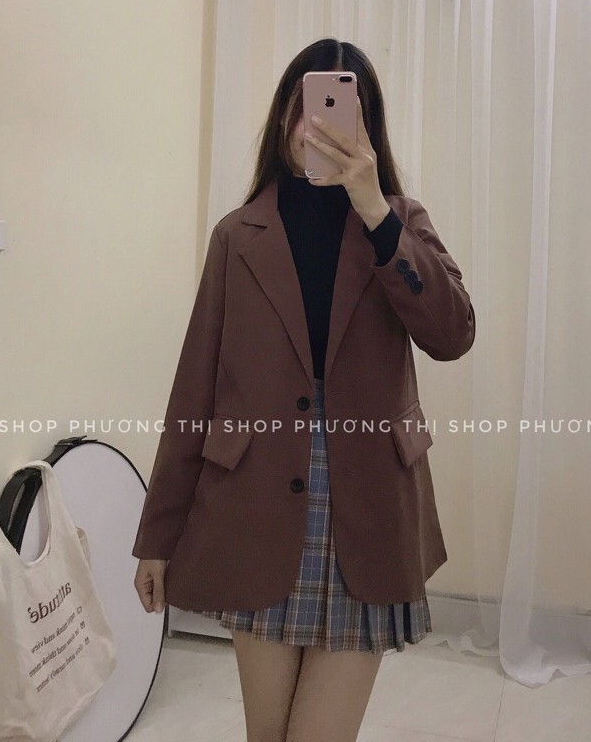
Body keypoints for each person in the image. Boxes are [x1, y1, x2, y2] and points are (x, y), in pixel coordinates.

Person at [132, 38, 475, 742]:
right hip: (255, 506)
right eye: (306, 108)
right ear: (284, 118)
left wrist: (376, 214)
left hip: (367, 509)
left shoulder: (398, 222)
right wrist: (156, 537)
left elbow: (453, 333)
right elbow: (194, 389)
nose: (318, 127)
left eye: (340, 112)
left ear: (367, 129)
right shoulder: (239, 236)